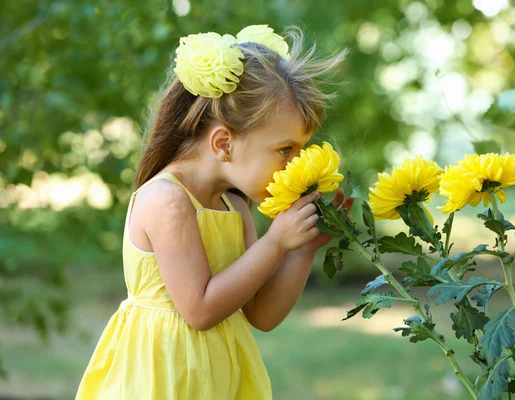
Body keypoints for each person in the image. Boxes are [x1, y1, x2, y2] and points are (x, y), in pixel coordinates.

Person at [75, 24, 353, 399]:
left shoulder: (233, 205)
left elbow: (262, 315)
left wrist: (301, 248)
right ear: (224, 143)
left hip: (219, 379)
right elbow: (200, 310)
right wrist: (275, 243)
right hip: (164, 377)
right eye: (284, 150)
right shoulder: (167, 200)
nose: (294, 164)